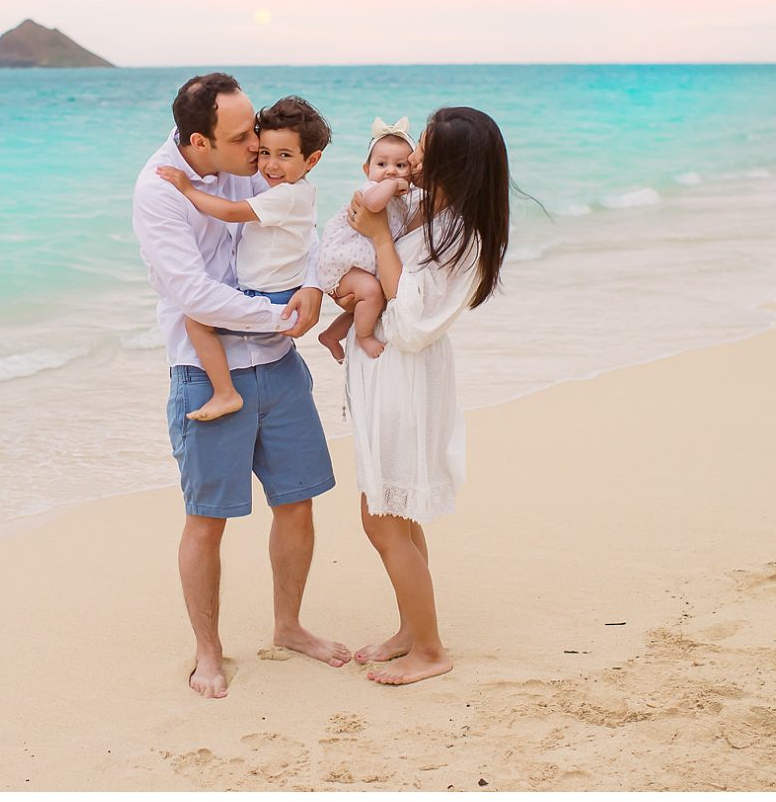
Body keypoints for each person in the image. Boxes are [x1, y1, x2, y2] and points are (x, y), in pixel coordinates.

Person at [131, 72, 352, 699]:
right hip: (208, 373)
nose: (257, 146)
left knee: (298, 499)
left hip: (278, 366)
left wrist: (310, 286)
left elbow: (296, 224)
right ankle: (208, 651)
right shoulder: (159, 192)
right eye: (242, 137)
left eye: (256, 129)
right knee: (207, 518)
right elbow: (192, 293)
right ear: (200, 142)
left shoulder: (254, 158)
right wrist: (282, 318)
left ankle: (289, 627)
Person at [341, 106, 512, 686]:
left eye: (422, 147)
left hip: (406, 377)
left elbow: (411, 320)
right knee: (401, 513)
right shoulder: (428, 213)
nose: (410, 155)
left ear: (448, 162)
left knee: (383, 517)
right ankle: (413, 630)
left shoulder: (459, 233)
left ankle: (432, 649)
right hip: (392, 373)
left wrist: (379, 235)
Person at [155, 96, 330, 422]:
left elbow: (234, 212)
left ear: (312, 160)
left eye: (284, 156)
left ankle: (225, 393)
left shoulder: (286, 193)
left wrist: (188, 190)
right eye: (265, 152)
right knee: (196, 317)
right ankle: (227, 391)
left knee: (195, 322)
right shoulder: (281, 185)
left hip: (270, 295)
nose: (269, 164)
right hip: (270, 291)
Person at [315, 117, 416, 364]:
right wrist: (393, 183)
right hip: (344, 264)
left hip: (363, 266)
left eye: (401, 165)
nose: (391, 170)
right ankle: (364, 336)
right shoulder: (372, 188)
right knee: (371, 293)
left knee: (373, 302)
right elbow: (373, 204)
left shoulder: (401, 198)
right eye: (382, 164)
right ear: (366, 169)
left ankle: (331, 335)